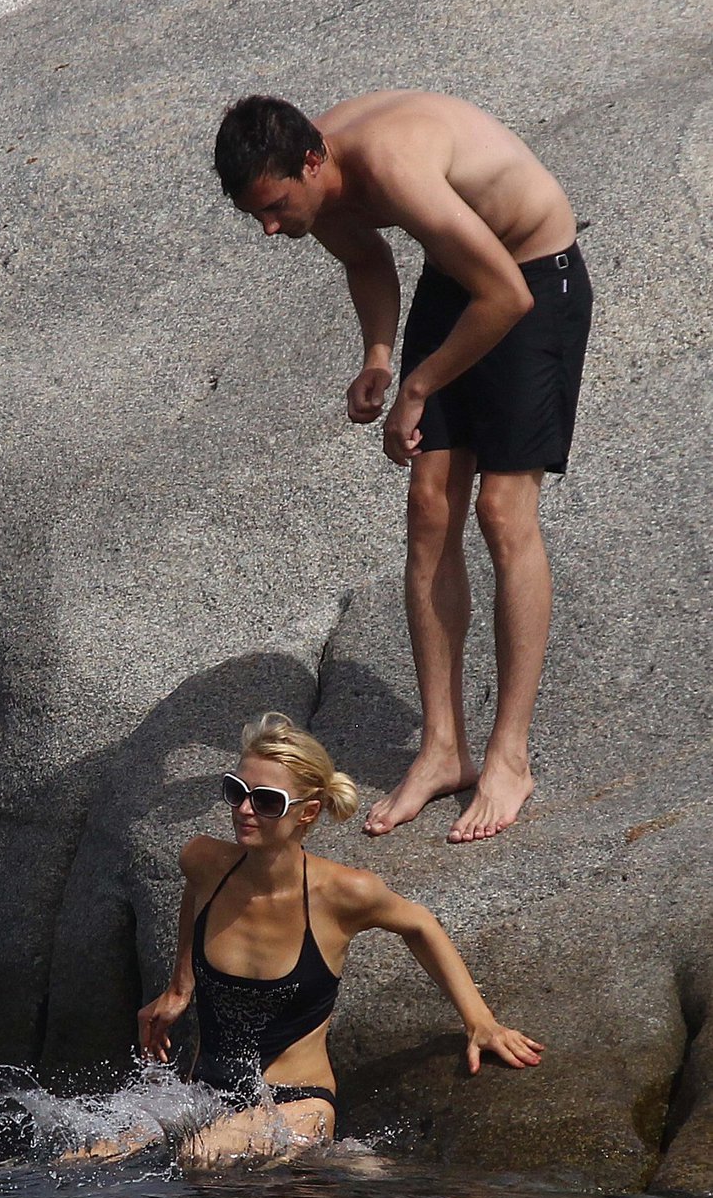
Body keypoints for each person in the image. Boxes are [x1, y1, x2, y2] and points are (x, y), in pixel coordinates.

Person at [213, 92, 593, 844]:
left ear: (312, 162)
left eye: (277, 206)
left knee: (501, 511)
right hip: (462, 280)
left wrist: (418, 388)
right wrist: (380, 356)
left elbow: (507, 296)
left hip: (531, 277)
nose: (270, 226)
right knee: (428, 508)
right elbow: (365, 254)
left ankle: (509, 757)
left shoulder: (390, 163)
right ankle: (443, 749)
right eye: (255, 213)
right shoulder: (318, 179)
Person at [137, 712, 542, 1164]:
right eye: (237, 792)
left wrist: (479, 1021)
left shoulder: (344, 894)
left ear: (307, 811)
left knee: (198, 1156)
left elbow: (421, 924)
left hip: (295, 1106)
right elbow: (195, 894)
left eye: (267, 801)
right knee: (86, 1156)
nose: (245, 809)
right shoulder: (204, 860)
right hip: (206, 1093)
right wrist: (179, 986)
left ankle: (345, 1162)